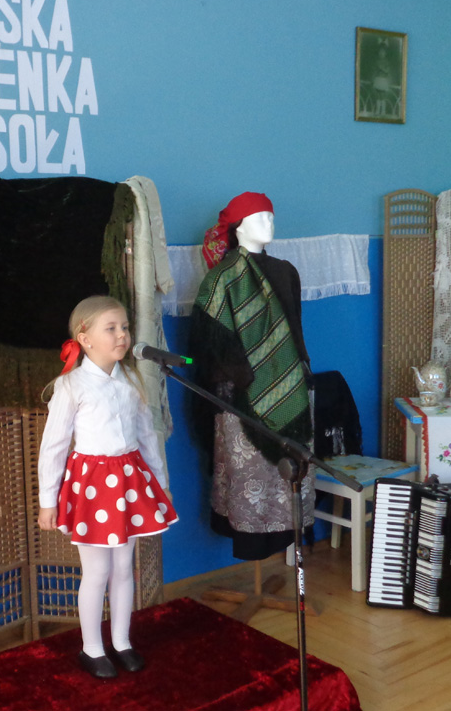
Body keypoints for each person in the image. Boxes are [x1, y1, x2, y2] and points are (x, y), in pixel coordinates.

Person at [37, 295, 178, 679]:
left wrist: (160, 484)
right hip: (92, 487)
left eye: (125, 327)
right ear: (85, 339)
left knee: (123, 567)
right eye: (111, 328)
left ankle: (121, 641)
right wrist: (48, 501)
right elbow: (53, 446)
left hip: (128, 483)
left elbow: (147, 436)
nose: (122, 335)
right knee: (97, 570)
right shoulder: (71, 386)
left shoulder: (130, 380)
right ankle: (92, 648)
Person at [189, 192, 314, 562]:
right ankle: (252, 546)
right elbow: (210, 343)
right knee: (251, 477)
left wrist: (300, 374)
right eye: (259, 217)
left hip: (292, 385)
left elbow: (295, 332)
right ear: (238, 226)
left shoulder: (287, 272)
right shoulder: (220, 279)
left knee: (290, 473)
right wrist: (248, 380)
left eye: (271, 217)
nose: (268, 224)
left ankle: (287, 543)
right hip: (241, 397)